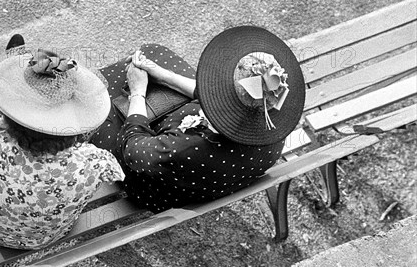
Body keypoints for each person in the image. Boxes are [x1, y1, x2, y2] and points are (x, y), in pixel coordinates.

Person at [90, 26, 305, 213]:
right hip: (212, 173)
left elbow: (132, 148)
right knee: (155, 55)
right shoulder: (274, 124)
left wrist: (138, 91)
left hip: (157, 183)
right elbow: (213, 96)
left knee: (97, 112)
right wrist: (164, 75)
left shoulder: (186, 148)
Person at [0, 35, 124, 249]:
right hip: (42, 236)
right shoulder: (93, 163)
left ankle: (17, 82)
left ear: (9, 120)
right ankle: (31, 90)